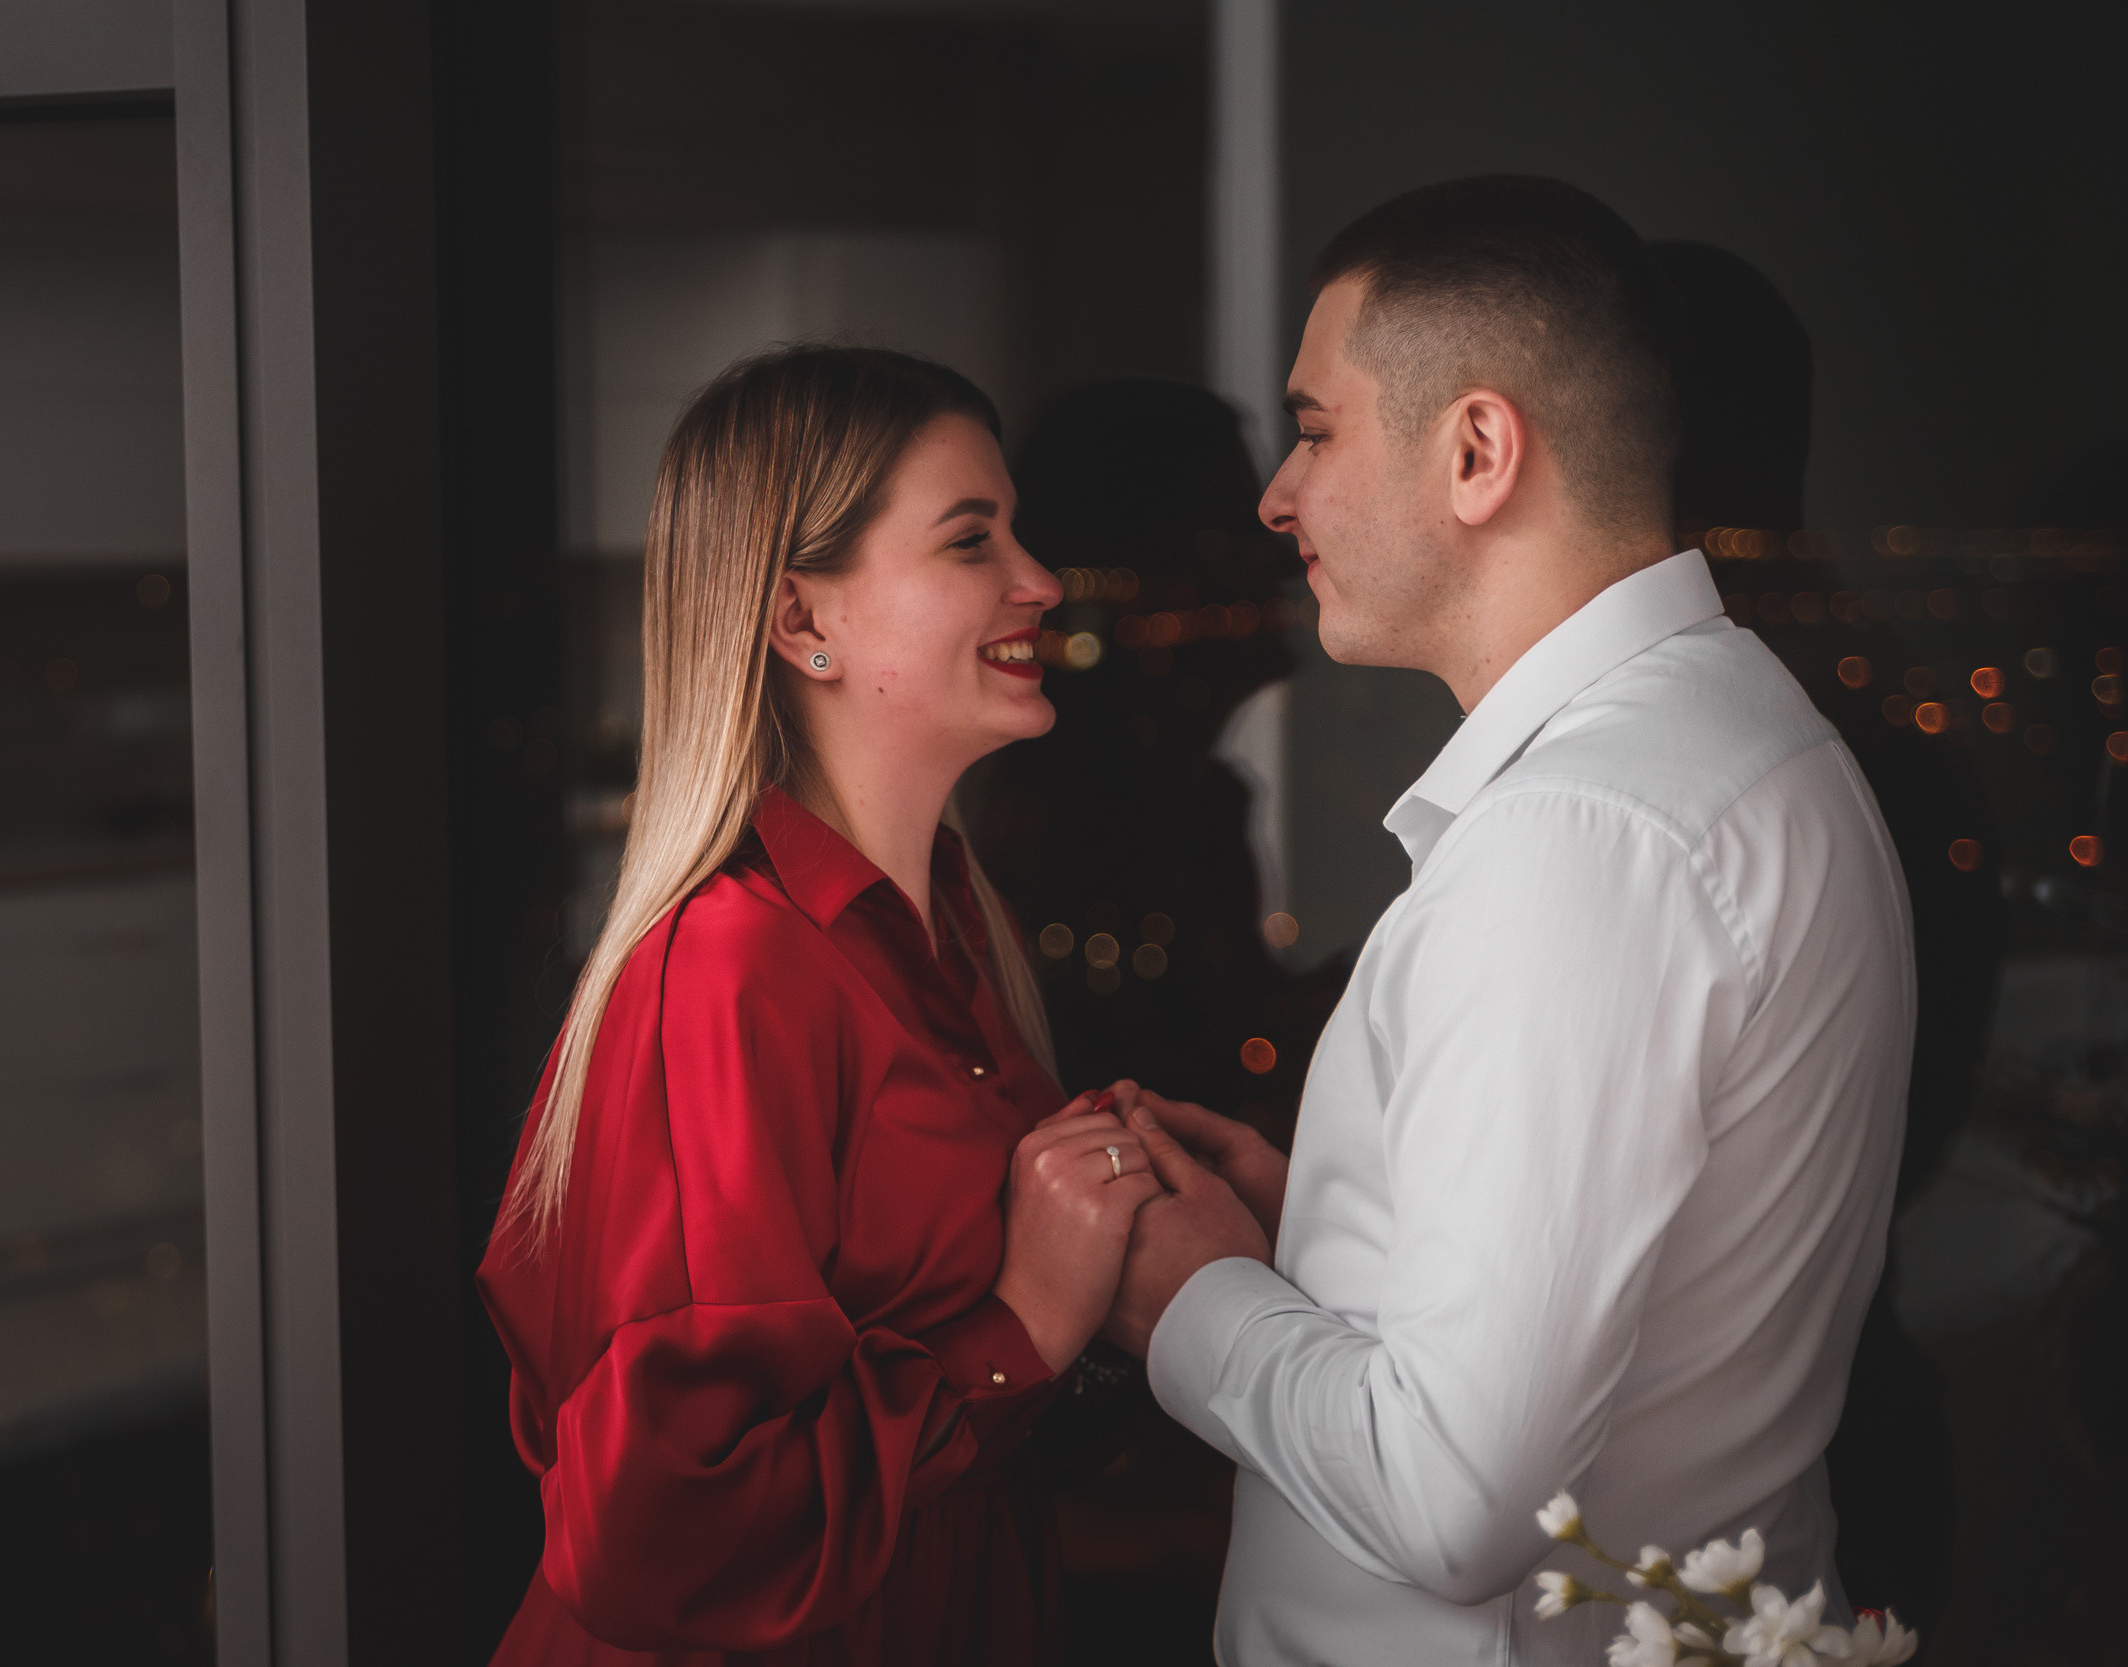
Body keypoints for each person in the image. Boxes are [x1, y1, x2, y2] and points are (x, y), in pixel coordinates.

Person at [1100, 176, 1917, 1664]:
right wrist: (1328, 1236)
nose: (1278, 495)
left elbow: (1456, 1502)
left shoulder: (1580, 836)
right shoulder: (1747, 739)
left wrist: (1187, 1296)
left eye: (1317, 430)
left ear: (1478, 451)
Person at [476, 345, 1164, 1664]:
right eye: (972, 540)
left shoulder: (955, 927)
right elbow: (656, 1531)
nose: (1039, 581)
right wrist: (1026, 1322)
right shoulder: (733, 967)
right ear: (802, 621)